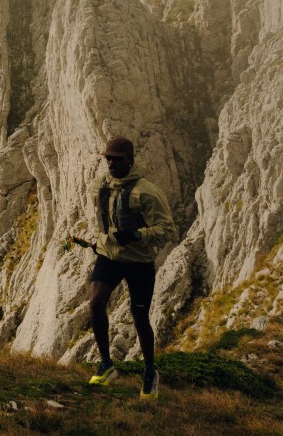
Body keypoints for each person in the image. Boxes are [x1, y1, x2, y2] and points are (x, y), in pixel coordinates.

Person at [87, 136, 176, 399]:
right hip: (109, 256)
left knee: (139, 316)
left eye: (117, 159)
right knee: (95, 302)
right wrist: (101, 240)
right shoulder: (100, 184)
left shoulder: (147, 192)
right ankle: (106, 364)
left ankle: (149, 371)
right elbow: (104, 216)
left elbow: (167, 230)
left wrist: (137, 235)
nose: (111, 163)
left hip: (138, 261)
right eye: (108, 158)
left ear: (130, 159)